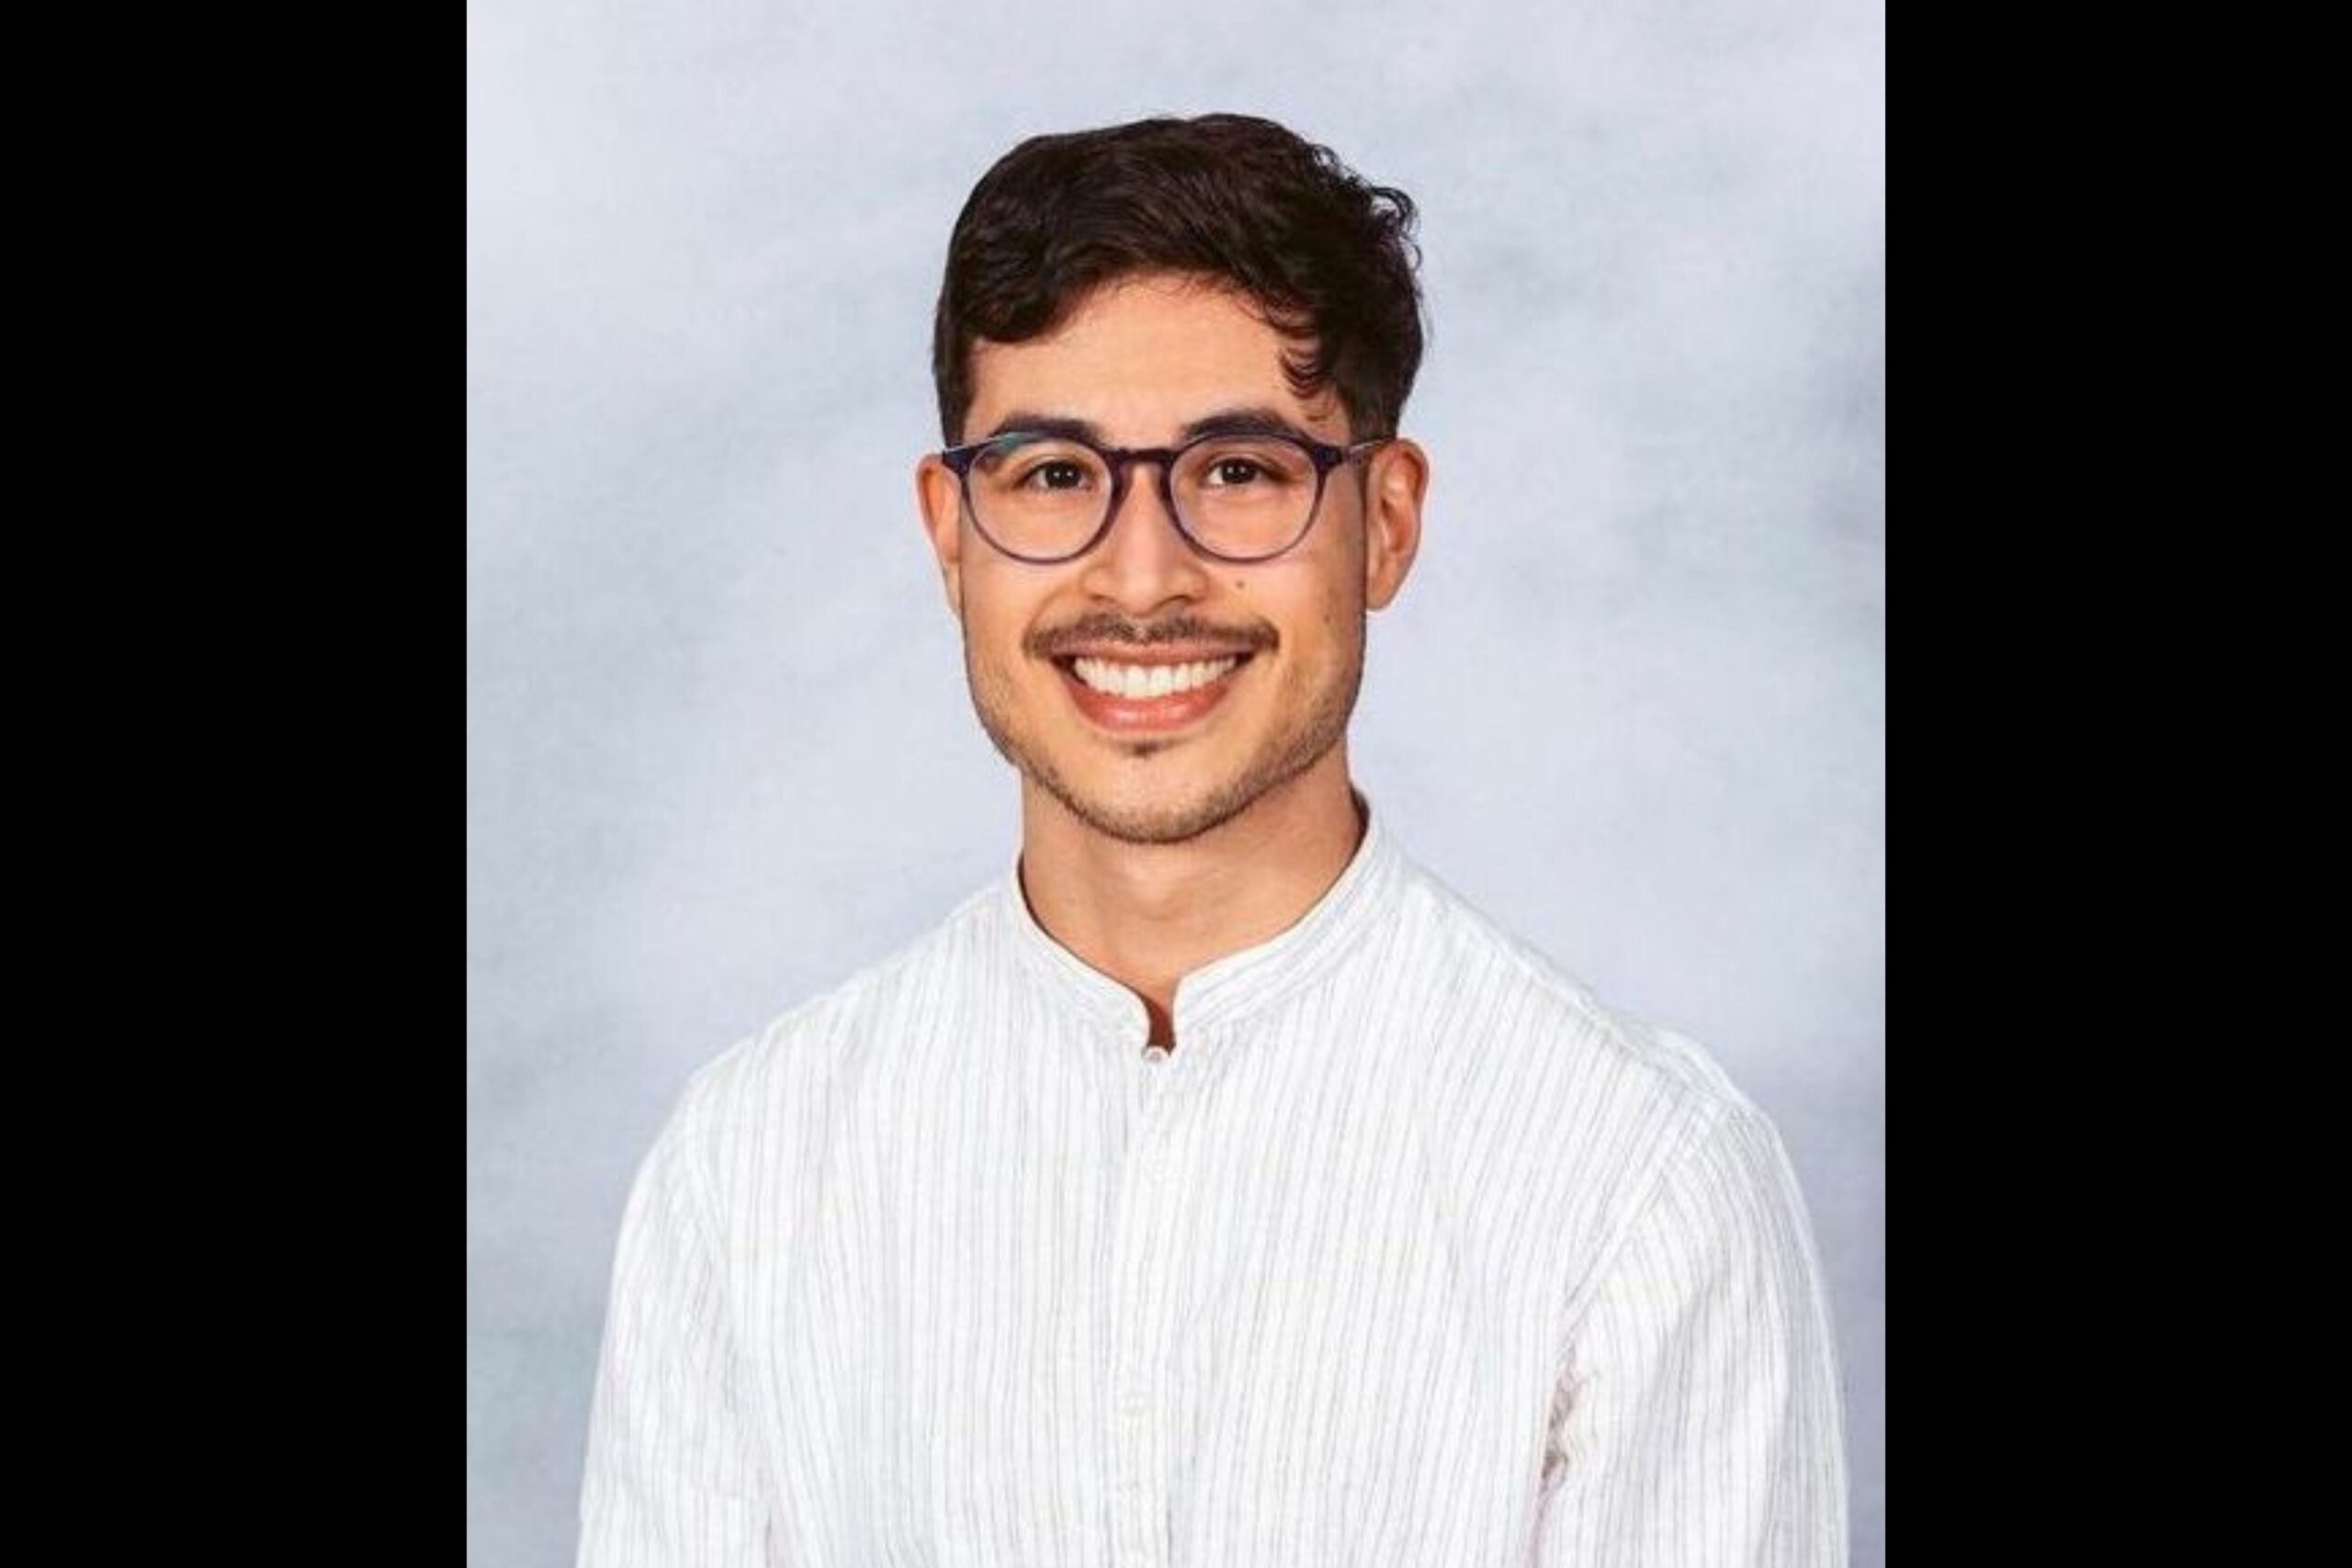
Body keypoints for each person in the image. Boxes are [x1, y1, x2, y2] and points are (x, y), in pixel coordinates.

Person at [577, 112, 1848, 1566]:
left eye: (1238, 471)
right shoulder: (747, 1171)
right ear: (951, 533)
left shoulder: (1638, 1187)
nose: (1141, 578)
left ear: (1385, 521)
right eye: (1054, 474)